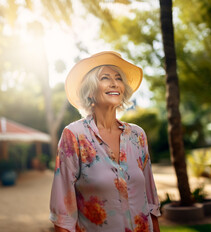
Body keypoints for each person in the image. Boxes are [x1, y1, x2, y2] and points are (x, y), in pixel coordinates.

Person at [49, 51, 161, 232]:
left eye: (118, 78)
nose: (114, 82)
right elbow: (63, 214)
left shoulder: (137, 135)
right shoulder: (74, 135)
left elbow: (151, 201)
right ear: (90, 91)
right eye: (105, 78)